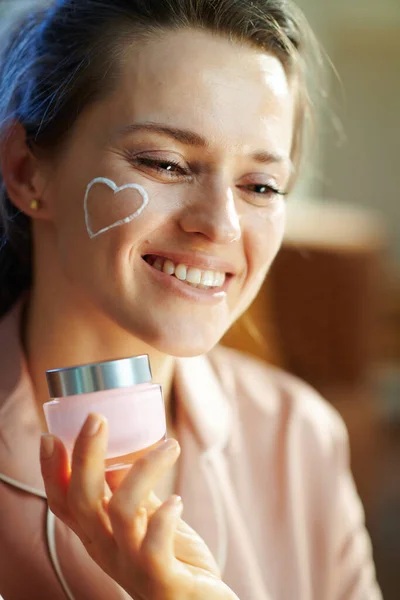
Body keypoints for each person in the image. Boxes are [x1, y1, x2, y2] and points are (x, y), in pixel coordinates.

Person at [0, 0, 382, 599]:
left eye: (260, 185)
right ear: (26, 169)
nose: (223, 225)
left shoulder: (301, 438)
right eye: (166, 163)